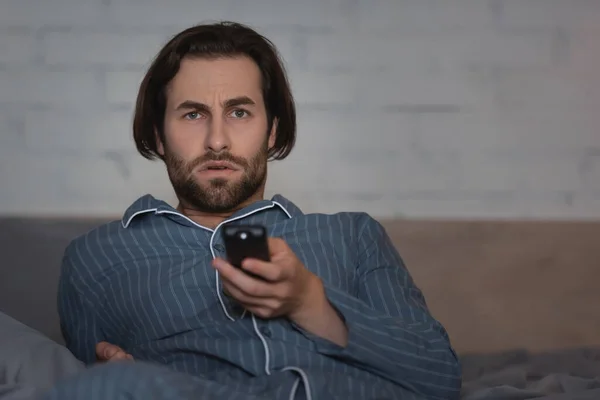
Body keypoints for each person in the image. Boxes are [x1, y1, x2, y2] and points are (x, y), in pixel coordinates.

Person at [45, 21, 461, 400]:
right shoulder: (94, 258)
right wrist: (112, 379)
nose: (217, 140)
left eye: (239, 112)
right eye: (193, 114)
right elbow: (84, 376)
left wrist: (309, 302)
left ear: (272, 130)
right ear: (158, 135)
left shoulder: (351, 235)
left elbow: (439, 377)